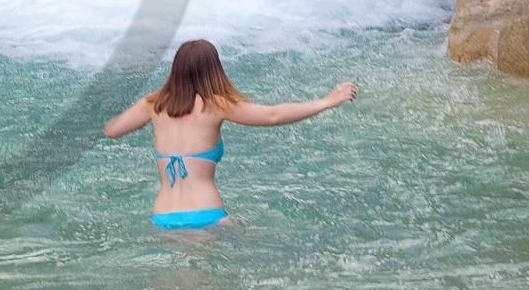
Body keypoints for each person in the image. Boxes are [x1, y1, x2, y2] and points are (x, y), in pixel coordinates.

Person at [103, 38, 356, 231]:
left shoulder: (153, 104)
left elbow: (112, 130)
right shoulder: (216, 105)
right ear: (213, 70)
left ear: (176, 70)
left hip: (161, 218)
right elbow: (273, 115)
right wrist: (326, 101)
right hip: (207, 215)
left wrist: (141, 121)